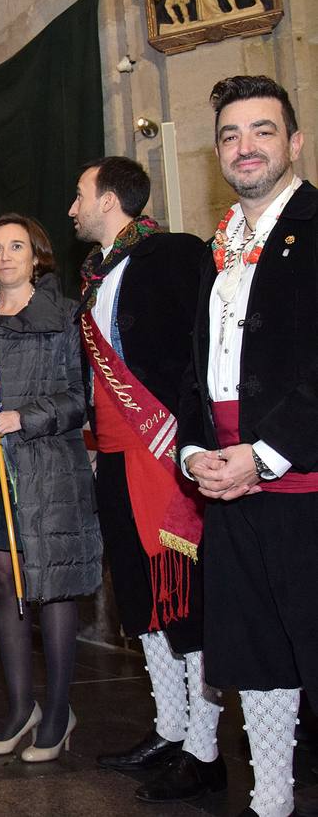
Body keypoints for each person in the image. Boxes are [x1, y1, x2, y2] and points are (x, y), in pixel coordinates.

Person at [178, 75, 314, 817]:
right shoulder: (215, 250)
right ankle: (271, 799)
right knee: (257, 657)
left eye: (262, 130)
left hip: (301, 481)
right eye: (230, 135)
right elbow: (199, 371)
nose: (245, 146)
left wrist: (263, 455)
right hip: (227, 484)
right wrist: (194, 451)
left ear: (293, 142)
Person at [71, 157, 223, 800]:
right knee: (142, 601)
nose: (72, 208)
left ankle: (207, 749)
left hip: (164, 455)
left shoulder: (170, 256)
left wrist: (197, 437)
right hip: (112, 456)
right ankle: (169, 726)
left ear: (109, 200)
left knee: (183, 602)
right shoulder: (93, 279)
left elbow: (201, 353)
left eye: (80, 196)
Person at [0, 214, 101, 762]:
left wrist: (21, 418)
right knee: (7, 584)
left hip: (49, 469)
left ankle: (58, 715)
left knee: (52, 585)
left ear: (37, 255)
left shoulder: (63, 315)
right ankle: (20, 709)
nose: (6, 256)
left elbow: (79, 399)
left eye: (17, 247)